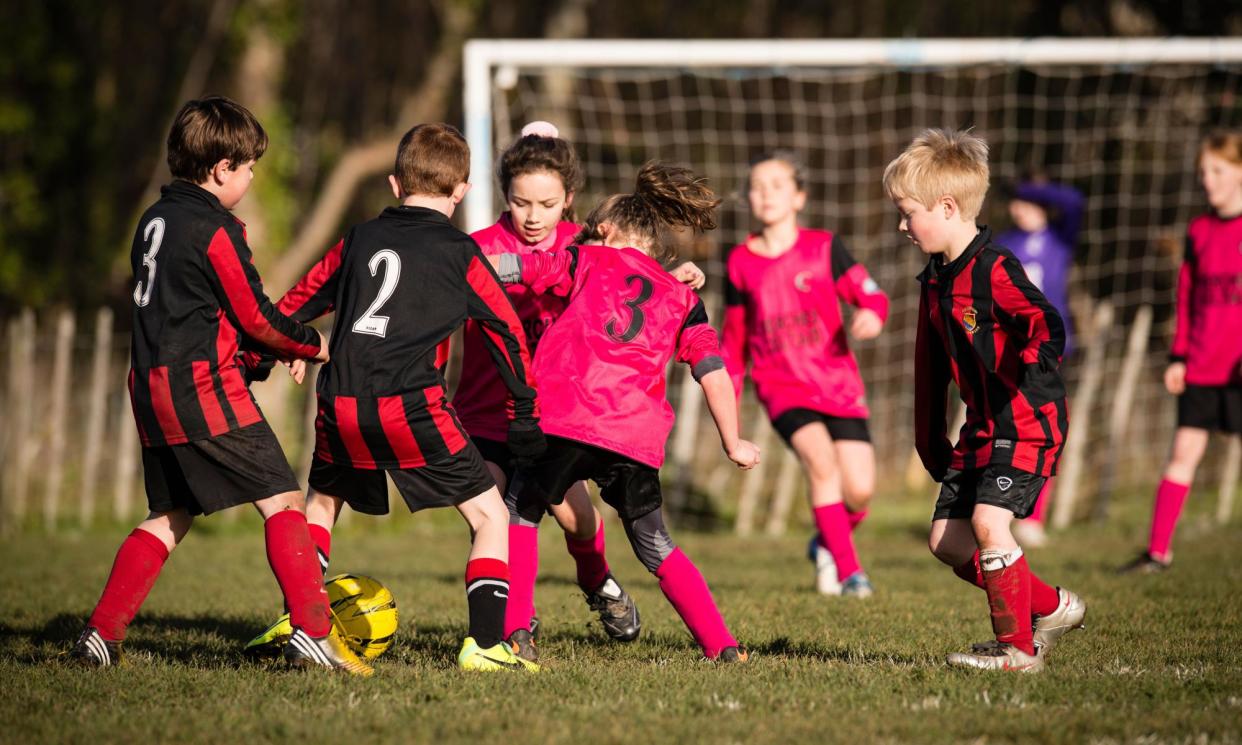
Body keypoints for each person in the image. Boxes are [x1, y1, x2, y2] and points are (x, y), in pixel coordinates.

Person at [70, 96, 370, 675]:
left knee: (169, 515)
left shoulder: (153, 220)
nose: (253, 176)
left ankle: (100, 634)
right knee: (283, 500)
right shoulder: (214, 229)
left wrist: (261, 351)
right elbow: (254, 315)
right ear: (220, 168)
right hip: (201, 390)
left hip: (151, 391)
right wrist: (309, 341)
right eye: (249, 166)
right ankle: (311, 632)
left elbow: (202, 312)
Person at [270, 123, 544, 672]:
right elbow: (507, 332)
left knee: (321, 504)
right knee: (490, 514)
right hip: (412, 406)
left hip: (340, 402)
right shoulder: (460, 252)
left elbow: (295, 303)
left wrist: (280, 348)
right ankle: (486, 646)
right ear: (461, 191)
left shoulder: (357, 238)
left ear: (395, 184)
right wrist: (525, 413)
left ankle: (301, 621)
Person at [491, 162, 761, 663]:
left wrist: (472, 265)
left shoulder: (585, 259)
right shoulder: (683, 298)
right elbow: (713, 370)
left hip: (565, 419)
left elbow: (526, 268)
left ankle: (515, 635)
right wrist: (733, 441)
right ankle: (723, 646)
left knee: (520, 511)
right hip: (633, 436)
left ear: (607, 232)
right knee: (655, 543)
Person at [884, 128, 1086, 672]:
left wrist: (1036, 360)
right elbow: (928, 369)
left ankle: (1017, 651)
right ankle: (1054, 607)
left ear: (946, 206)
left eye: (908, 213)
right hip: (980, 428)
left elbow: (1044, 320)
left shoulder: (996, 268)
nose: (902, 225)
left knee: (989, 526)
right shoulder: (934, 282)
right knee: (946, 544)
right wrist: (928, 438)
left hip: (1025, 419)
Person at [456, 121, 640, 648]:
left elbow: (641, 283)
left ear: (570, 199)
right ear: (505, 197)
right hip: (486, 413)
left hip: (558, 417)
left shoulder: (588, 252)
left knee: (578, 521)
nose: (533, 216)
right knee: (498, 515)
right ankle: (517, 627)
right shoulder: (477, 248)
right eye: (521, 203)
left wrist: (684, 275)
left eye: (547, 203)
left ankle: (595, 577)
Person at [722, 150, 888, 597]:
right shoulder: (739, 262)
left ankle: (826, 542)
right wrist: (729, 407)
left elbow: (871, 295)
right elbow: (733, 345)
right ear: (749, 200)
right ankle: (853, 575)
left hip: (837, 384)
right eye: (757, 187)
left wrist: (872, 314)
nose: (766, 195)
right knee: (821, 464)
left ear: (798, 197)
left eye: (777, 186)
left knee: (861, 492)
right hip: (782, 387)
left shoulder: (824, 247)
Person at [1122, 130, 1242, 573]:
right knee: (1182, 455)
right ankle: (1158, 553)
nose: (1208, 180)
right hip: (1203, 366)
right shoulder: (1200, 230)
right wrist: (1179, 356)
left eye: (1219, 170)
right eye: (1203, 172)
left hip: (1239, 369)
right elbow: (1188, 296)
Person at [997, 177, 1086, 547]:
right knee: (1002, 429)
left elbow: (1074, 199)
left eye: (1028, 201)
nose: (1020, 207)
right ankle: (993, 507)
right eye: (1015, 201)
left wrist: (1026, 188)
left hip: (1049, 349)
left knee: (1046, 431)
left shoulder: (1060, 238)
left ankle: (1032, 517)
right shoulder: (1004, 243)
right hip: (1008, 351)